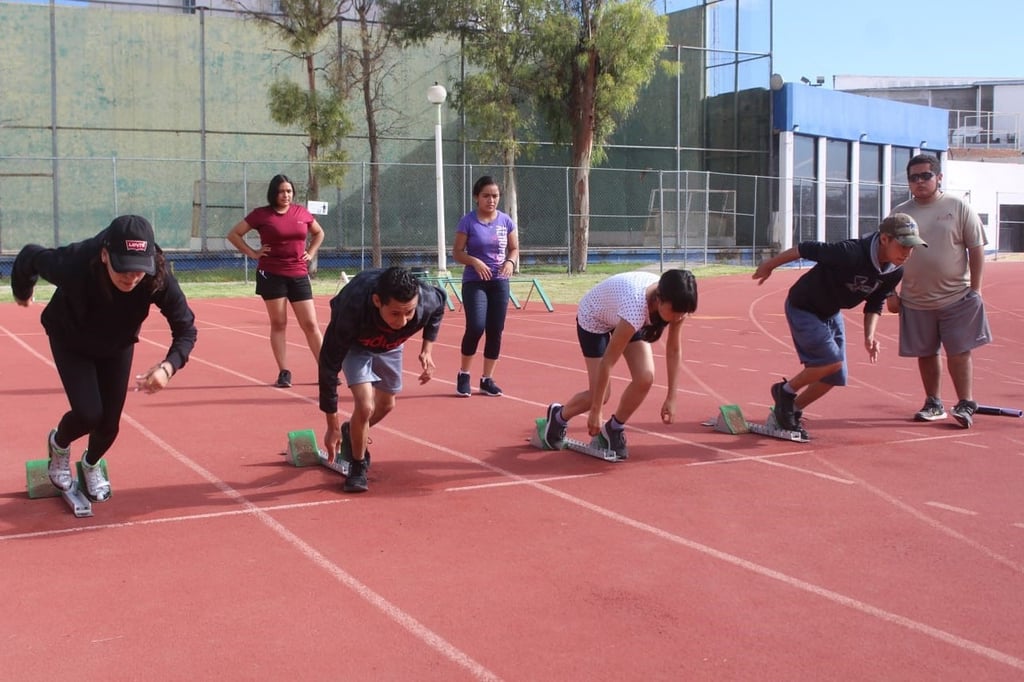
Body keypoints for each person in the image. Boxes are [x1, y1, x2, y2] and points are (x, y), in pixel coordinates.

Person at [10, 215, 198, 502]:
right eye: (123, 269)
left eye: (138, 271)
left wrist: (168, 367)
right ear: (105, 255)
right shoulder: (74, 263)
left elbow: (186, 327)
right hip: (70, 337)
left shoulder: (156, 276)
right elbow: (30, 255)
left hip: (117, 344)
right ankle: (59, 446)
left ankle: (90, 465)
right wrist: (23, 290)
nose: (131, 278)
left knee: (109, 424)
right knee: (88, 414)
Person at [752, 213, 927, 438]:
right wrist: (770, 265)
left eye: (912, 247)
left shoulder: (895, 271)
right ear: (885, 239)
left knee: (835, 375)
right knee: (830, 362)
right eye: (903, 245)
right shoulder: (850, 252)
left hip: (830, 312)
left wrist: (869, 336)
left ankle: (788, 412)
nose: (907, 253)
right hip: (803, 306)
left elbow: (875, 303)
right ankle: (784, 392)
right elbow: (805, 248)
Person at [541, 269, 698, 459]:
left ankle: (613, 428)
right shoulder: (636, 307)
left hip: (623, 316)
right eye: (676, 312)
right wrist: (596, 411)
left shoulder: (676, 303)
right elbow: (608, 362)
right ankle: (558, 417)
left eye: (684, 313)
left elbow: (673, 350)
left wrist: (672, 397)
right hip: (594, 318)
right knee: (600, 394)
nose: (679, 317)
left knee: (645, 377)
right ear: (659, 299)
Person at [318, 267, 447, 493]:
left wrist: (427, 349)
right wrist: (332, 427)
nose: (404, 321)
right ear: (377, 301)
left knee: (387, 404)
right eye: (395, 313)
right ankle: (357, 467)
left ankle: (354, 431)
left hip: (390, 346)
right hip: (356, 345)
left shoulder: (426, 299)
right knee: (365, 404)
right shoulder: (352, 310)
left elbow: (440, 305)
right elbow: (328, 369)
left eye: (409, 312)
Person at [889, 154, 992, 428]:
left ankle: (965, 402)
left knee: (959, 351)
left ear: (938, 177)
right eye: (914, 178)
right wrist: (890, 293)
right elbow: (886, 254)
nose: (920, 182)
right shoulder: (900, 213)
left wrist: (976, 289)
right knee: (926, 352)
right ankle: (933, 402)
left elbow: (976, 247)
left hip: (956, 296)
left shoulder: (957, 206)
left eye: (925, 176)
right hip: (915, 298)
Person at [227, 174, 324, 389]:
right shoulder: (261, 215)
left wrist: (311, 252)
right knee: (279, 324)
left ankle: (326, 369)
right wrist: (253, 253)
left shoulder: (302, 212)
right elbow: (234, 234)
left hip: (298, 274)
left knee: (310, 324)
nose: (286, 195)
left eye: (289, 191)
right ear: (274, 193)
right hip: (272, 275)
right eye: (282, 191)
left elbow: (319, 233)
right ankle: (284, 372)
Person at [451, 175, 520, 397]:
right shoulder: (468, 222)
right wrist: (474, 261)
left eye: (495, 196)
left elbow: (514, 248)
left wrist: (510, 262)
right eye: (486, 196)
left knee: (495, 330)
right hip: (475, 283)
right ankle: (464, 374)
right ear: (476, 197)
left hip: (499, 283)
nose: (491, 200)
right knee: (476, 326)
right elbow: (457, 252)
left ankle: (487, 379)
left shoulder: (506, 221)